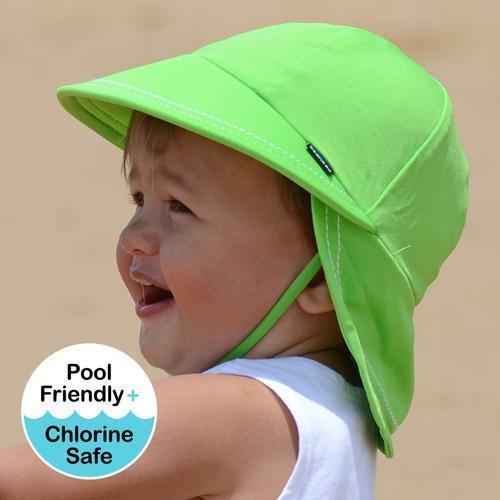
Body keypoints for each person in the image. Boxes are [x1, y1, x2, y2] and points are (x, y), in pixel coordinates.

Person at [0, 21, 469, 499]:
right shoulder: (329, 414)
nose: (134, 237)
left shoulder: (238, 411)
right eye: (139, 198)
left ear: (325, 277)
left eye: (179, 206)